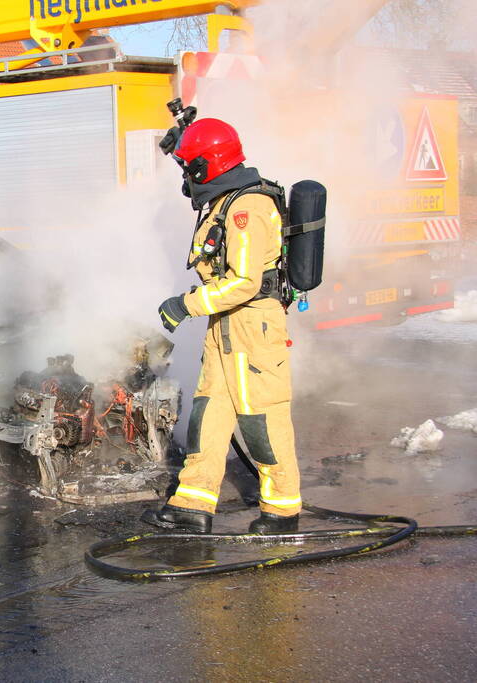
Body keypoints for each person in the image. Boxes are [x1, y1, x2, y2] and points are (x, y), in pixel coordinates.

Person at [142, 118, 302, 535]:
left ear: (205, 167)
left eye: (189, 168)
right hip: (226, 325)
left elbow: (245, 282)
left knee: (261, 418)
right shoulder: (226, 199)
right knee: (209, 412)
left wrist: (186, 305)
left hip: (253, 324)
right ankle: (193, 503)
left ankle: (283, 509)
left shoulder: (247, 207)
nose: (186, 179)